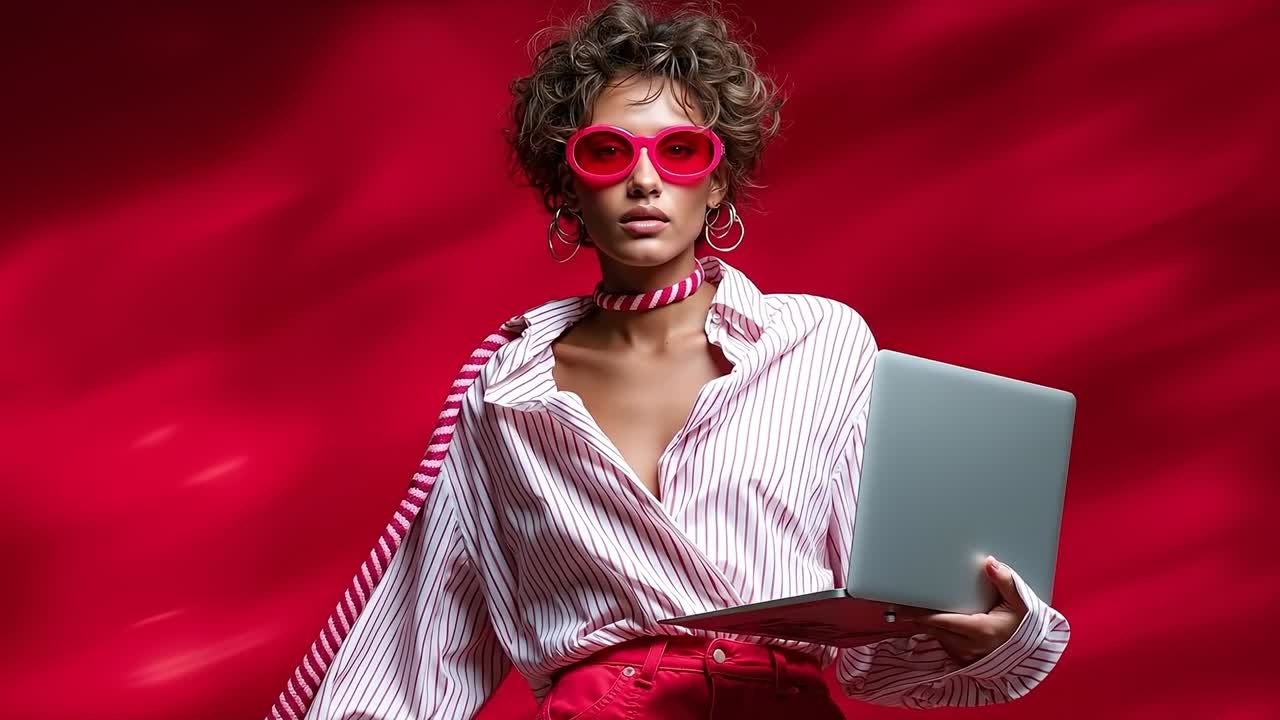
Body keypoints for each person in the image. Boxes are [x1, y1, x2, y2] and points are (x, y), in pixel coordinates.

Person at [266, 2, 1070, 718]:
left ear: (717, 183)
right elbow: (421, 640)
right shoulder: (507, 390)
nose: (645, 180)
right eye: (607, 153)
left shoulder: (820, 344)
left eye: (680, 150)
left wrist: (994, 631)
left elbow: (879, 634)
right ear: (566, 186)